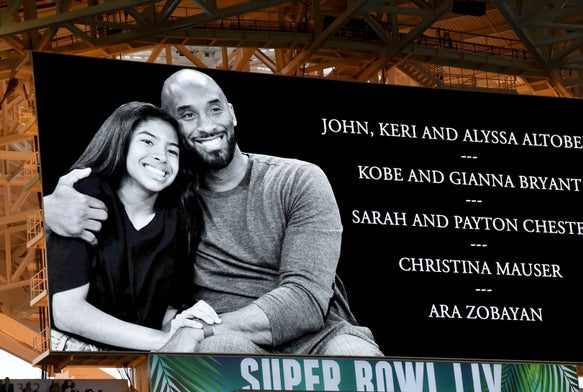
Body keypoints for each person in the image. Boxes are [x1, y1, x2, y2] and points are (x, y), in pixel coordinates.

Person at [44, 68, 382, 357]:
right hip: (225, 341)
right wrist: (45, 210)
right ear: (173, 127)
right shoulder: (167, 201)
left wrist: (190, 333)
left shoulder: (297, 179)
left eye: (215, 109)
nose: (206, 126)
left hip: (321, 338)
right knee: (226, 352)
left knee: (356, 357)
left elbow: (305, 301)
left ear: (232, 113)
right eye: (188, 115)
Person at [45, 101, 220, 351]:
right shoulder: (86, 197)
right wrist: (164, 341)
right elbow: (67, 312)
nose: (161, 156)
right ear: (122, 142)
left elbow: (164, 311)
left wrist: (182, 326)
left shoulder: (179, 220)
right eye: (147, 142)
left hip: (137, 359)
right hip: (74, 352)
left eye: (172, 151)